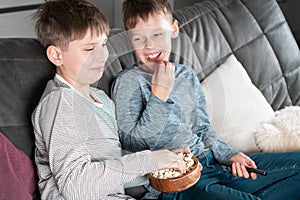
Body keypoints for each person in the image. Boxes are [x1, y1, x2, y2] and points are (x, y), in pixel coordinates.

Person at [111, 0, 300, 199]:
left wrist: (229, 155)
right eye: (139, 38)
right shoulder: (128, 83)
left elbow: (203, 128)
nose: (150, 45)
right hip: (178, 182)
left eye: (157, 34)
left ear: (174, 29)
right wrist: (159, 97)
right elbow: (132, 144)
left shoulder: (186, 75)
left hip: (212, 163)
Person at [31, 0, 189, 199]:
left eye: (103, 44)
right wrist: (150, 161)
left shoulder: (102, 99)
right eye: (89, 49)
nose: (101, 56)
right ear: (56, 55)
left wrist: (164, 161)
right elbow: (75, 186)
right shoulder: (60, 102)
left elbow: (112, 170)